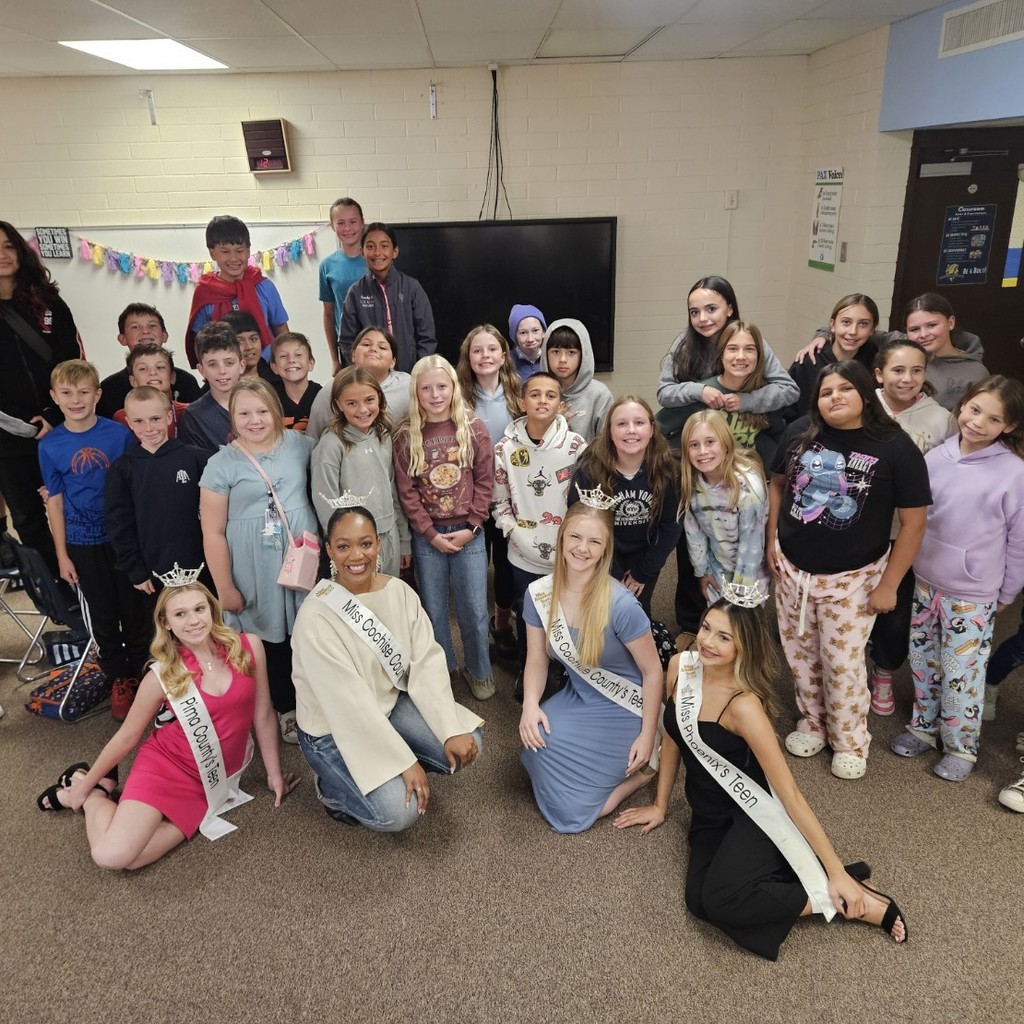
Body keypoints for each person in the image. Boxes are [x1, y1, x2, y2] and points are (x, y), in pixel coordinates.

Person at [614, 599, 908, 961]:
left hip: (753, 814)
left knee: (721, 901)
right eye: (706, 628)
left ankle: (852, 899)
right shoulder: (681, 666)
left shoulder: (744, 706)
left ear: (744, 646)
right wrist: (660, 805)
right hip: (708, 814)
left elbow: (790, 794)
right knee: (698, 902)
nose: (707, 641)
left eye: (724, 637)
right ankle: (851, 880)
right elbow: (673, 736)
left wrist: (834, 869)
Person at [35, 581, 297, 869]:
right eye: (180, 614)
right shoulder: (162, 675)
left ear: (212, 609)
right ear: (166, 622)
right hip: (166, 765)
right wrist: (82, 790)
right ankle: (91, 790)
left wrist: (274, 775)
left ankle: (101, 789)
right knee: (111, 856)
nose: (194, 620)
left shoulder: (248, 647)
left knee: (136, 860)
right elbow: (127, 736)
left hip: (212, 777)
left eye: (199, 609)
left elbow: (263, 715)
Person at [767, 361, 931, 779]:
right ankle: (814, 723)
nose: (834, 398)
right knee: (801, 655)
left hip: (854, 577)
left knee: (841, 662)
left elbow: (914, 523)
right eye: (825, 392)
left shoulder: (895, 446)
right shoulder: (800, 432)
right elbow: (778, 485)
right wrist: (772, 541)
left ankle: (850, 739)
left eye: (844, 389)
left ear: (864, 392)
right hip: (793, 570)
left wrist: (890, 585)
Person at [291, 507, 484, 831]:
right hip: (333, 730)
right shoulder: (315, 616)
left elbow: (426, 661)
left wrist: (449, 728)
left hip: (388, 705)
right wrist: (403, 761)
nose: (356, 555)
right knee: (399, 811)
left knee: (469, 738)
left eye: (365, 543)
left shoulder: (398, 591)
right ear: (329, 550)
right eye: (343, 546)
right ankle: (332, 790)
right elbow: (349, 704)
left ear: (378, 545)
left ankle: (392, 759)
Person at [891, 376, 1024, 781]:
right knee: (924, 661)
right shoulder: (935, 456)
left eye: (993, 418)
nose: (978, 422)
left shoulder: (1014, 473)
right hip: (927, 582)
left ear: (1010, 427)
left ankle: (961, 747)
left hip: (974, 594)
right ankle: (923, 728)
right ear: (962, 406)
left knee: (963, 671)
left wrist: (1006, 592)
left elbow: (1019, 541)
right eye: (974, 409)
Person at [655, 275, 797, 643]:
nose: (703, 317)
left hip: (741, 470)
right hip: (696, 461)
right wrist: (700, 391)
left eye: (712, 308)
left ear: (730, 307)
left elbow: (788, 389)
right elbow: (664, 392)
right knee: (693, 546)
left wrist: (746, 401)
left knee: (742, 543)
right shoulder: (684, 345)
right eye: (695, 311)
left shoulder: (749, 342)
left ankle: (741, 627)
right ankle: (692, 624)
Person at [519, 500, 663, 833]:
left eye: (594, 542)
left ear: (604, 550)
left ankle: (640, 776)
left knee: (573, 811)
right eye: (575, 537)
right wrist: (529, 707)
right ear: (562, 538)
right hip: (582, 696)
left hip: (628, 707)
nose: (582, 549)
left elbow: (653, 672)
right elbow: (537, 660)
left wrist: (646, 735)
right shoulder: (538, 594)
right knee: (536, 739)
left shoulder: (622, 605)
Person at [200, 378, 317, 742]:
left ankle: (316, 701)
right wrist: (224, 588)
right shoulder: (221, 464)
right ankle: (284, 707)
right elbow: (213, 532)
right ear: (232, 417)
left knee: (308, 632)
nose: (255, 420)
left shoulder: (302, 445)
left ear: (276, 411)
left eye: (263, 411)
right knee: (268, 638)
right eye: (244, 413)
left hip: (301, 558)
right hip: (253, 567)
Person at [38, 359, 149, 719]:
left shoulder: (118, 434)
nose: (76, 399)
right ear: (55, 397)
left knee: (135, 609)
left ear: (97, 394)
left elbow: (135, 482)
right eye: (67, 393)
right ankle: (120, 678)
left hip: (122, 539)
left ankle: (143, 672)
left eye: (84, 392)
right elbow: (54, 501)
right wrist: (62, 555)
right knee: (102, 614)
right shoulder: (50, 445)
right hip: (82, 544)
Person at [394, 355, 495, 700]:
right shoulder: (406, 435)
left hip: (470, 533)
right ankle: (446, 670)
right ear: (416, 392)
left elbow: (485, 481)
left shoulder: (473, 427)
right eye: (426, 388)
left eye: (442, 386)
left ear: (453, 387)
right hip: (428, 538)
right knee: (434, 612)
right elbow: (406, 492)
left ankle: (479, 671)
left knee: (475, 610)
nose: (435, 394)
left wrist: (474, 525)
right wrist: (429, 533)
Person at [866, 339, 955, 715]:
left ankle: (884, 671)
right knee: (852, 604)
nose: (907, 379)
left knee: (896, 610)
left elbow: (951, 472)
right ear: (879, 373)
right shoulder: (862, 405)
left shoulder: (940, 419)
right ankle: (850, 666)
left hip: (904, 532)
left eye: (916, 370)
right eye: (898, 370)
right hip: (857, 528)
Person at [492, 371, 587, 677]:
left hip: (567, 553)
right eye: (535, 394)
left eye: (550, 395)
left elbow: (584, 501)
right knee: (526, 615)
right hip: (522, 554)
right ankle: (528, 669)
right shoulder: (505, 448)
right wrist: (512, 530)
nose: (542, 400)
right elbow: (499, 499)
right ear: (522, 402)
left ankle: (563, 673)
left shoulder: (575, 446)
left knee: (567, 615)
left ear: (561, 403)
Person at [0, 220, 83, 567]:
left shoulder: (48, 302)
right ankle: (61, 602)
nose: (2, 255)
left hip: (58, 428)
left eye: (8, 246)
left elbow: (71, 362)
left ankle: (90, 589)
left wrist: (52, 414)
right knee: (30, 521)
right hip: (7, 437)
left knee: (76, 508)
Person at [568, 395, 681, 618]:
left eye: (639, 423)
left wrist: (643, 572)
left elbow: (671, 526)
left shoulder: (668, 470)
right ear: (610, 431)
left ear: (651, 429)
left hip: (645, 556)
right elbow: (578, 524)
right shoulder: (589, 470)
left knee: (636, 612)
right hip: (599, 555)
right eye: (621, 424)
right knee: (597, 613)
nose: (631, 430)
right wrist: (612, 571)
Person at [794, 292, 986, 412]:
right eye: (914, 329)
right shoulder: (899, 344)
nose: (923, 335)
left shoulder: (973, 370)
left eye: (932, 325)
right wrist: (823, 335)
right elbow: (853, 331)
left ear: (950, 322)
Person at [105, 386, 212, 597]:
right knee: (162, 624)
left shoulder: (200, 459)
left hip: (203, 565)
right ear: (128, 421)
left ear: (169, 416)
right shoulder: (121, 470)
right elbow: (119, 524)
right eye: (138, 421)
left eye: (155, 418)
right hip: (153, 573)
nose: (148, 427)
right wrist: (135, 570)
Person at [456, 324, 523, 658]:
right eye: (477, 350)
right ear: (468, 358)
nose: (485, 356)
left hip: (510, 496)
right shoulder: (458, 397)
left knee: (507, 562)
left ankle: (501, 622)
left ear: (503, 355)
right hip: (471, 497)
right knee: (475, 563)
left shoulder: (518, 395)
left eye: (492, 349)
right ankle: (475, 630)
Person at [311, 366, 409, 576]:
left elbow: (392, 489)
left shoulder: (383, 435)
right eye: (352, 403)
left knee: (385, 599)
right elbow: (325, 502)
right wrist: (341, 547)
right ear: (338, 404)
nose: (363, 410)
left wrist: (404, 539)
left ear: (379, 399)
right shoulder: (331, 445)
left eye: (369, 400)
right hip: (354, 545)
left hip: (388, 536)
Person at [680, 409, 769, 611]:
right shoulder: (691, 484)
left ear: (725, 443)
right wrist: (703, 572)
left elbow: (752, 544)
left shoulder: (748, 485)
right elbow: (695, 533)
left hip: (751, 572)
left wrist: (740, 594)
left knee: (743, 628)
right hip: (717, 565)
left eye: (710, 442)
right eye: (694, 445)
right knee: (719, 622)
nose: (702, 451)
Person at [670, 319, 787, 469]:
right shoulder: (703, 392)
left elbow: (777, 436)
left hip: (748, 480)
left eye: (749, 349)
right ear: (721, 354)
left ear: (759, 357)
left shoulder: (766, 395)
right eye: (732, 349)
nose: (741, 356)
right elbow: (663, 428)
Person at [185, 215, 289, 368]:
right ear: (212, 253)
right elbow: (200, 342)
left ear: (248, 251)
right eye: (225, 252)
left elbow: (282, 331)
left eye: (239, 251)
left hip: (267, 370)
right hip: (226, 374)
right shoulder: (205, 291)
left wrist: (283, 365)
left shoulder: (264, 286)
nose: (234, 258)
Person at [339, 223, 435, 372]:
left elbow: (427, 337)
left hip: (409, 374)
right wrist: (360, 372)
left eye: (384, 246)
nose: (377, 252)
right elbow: (346, 341)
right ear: (362, 252)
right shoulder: (356, 292)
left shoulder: (412, 287)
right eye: (370, 246)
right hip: (370, 378)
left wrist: (419, 372)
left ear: (395, 251)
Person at [307, 325, 411, 440]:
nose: (373, 349)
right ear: (353, 355)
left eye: (382, 347)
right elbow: (314, 436)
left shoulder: (408, 385)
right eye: (366, 344)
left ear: (393, 362)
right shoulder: (334, 388)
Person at [98, 303, 201, 418]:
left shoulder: (186, 381)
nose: (145, 331)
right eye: (135, 327)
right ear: (122, 339)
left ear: (164, 335)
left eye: (152, 326)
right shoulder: (110, 387)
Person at [786, 295, 880, 419]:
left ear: (872, 329)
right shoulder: (808, 363)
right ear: (832, 325)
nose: (853, 331)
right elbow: (788, 413)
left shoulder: (876, 363)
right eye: (846, 322)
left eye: (863, 324)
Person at [540, 318, 613, 442]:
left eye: (571, 352)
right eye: (555, 352)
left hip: (588, 460)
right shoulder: (536, 391)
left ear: (583, 355)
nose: (562, 359)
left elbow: (607, 445)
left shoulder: (599, 394)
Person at [178, 322, 244, 452]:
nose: (222, 371)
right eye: (213, 365)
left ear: (241, 365)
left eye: (229, 363)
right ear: (201, 370)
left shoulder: (262, 403)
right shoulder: (194, 416)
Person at [319, 197, 367, 374]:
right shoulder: (327, 266)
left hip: (379, 345)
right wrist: (334, 359)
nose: (347, 228)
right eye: (341, 223)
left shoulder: (377, 261)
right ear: (332, 226)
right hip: (348, 347)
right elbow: (329, 314)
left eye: (353, 222)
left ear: (362, 223)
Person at [112, 344, 189, 439]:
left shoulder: (188, 412)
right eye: (143, 369)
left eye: (160, 367)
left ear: (172, 377)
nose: (152, 373)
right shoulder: (121, 417)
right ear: (133, 381)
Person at [269, 331, 321, 432]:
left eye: (298, 355)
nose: (291, 360)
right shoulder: (269, 400)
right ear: (274, 367)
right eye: (283, 356)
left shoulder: (323, 396)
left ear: (311, 363)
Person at [222, 309, 280, 386]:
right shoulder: (216, 388)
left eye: (253, 339)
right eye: (240, 342)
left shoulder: (279, 382)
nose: (249, 347)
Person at [508, 304, 547, 383]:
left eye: (535, 331)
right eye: (523, 333)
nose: (530, 339)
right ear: (514, 336)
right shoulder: (507, 362)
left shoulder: (551, 357)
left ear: (543, 332)